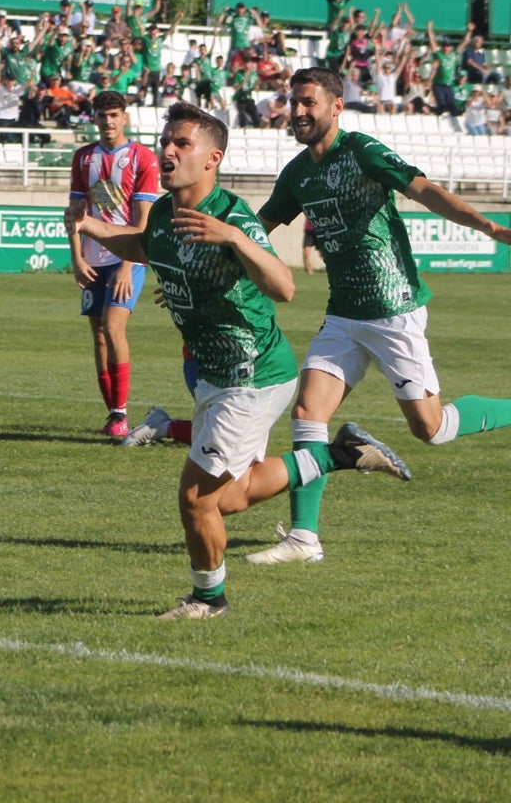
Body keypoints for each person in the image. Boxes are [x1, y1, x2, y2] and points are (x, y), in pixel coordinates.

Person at [67, 100, 410, 618]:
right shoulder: (164, 211)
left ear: (212, 158)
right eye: (166, 140)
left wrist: (231, 237)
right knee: (228, 498)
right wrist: (90, 227)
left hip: (251, 375)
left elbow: (284, 286)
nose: (167, 149)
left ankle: (209, 600)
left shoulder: (231, 215)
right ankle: (341, 454)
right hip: (218, 375)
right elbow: (146, 244)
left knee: (195, 500)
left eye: (182, 143)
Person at [247, 65, 511, 565]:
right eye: (294, 101)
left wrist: (489, 227)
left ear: (335, 106)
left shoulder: (363, 150)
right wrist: (214, 270)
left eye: (309, 102)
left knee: (432, 430)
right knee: (307, 414)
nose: (299, 111)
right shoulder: (297, 173)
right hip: (343, 313)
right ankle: (304, 538)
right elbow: (257, 232)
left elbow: (424, 189)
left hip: (394, 310)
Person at [67, 90, 159, 438]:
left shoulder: (142, 158)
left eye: (114, 115)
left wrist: (127, 262)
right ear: (95, 118)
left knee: (113, 326)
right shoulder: (83, 159)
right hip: (92, 258)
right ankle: (113, 414)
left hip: (127, 257)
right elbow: (75, 215)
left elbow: (143, 221)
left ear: (126, 118)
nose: (108, 122)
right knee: (99, 337)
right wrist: (75, 258)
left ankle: (121, 413)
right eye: (102, 116)